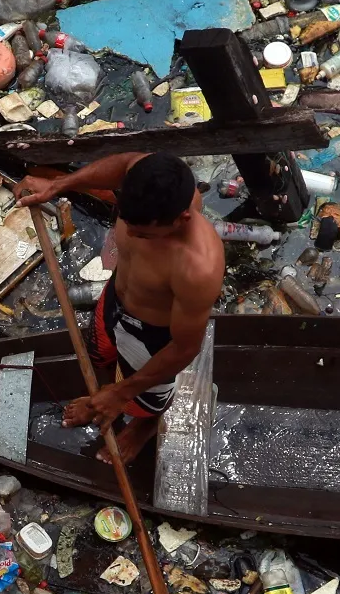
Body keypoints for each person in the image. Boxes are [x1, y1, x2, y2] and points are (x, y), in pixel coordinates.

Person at [15, 152, 223, 462]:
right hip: (115, 297)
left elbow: (184, 348)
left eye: (145, 234)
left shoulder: (198, 268)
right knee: (99, 353)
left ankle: (145, 423)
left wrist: (121, 392)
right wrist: (58, 184)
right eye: (127, 225)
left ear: (182, 219)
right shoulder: (150, 174)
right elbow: (124, 164)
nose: (134, 237)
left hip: (152, 334)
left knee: (145, 398)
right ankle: (101, 397)